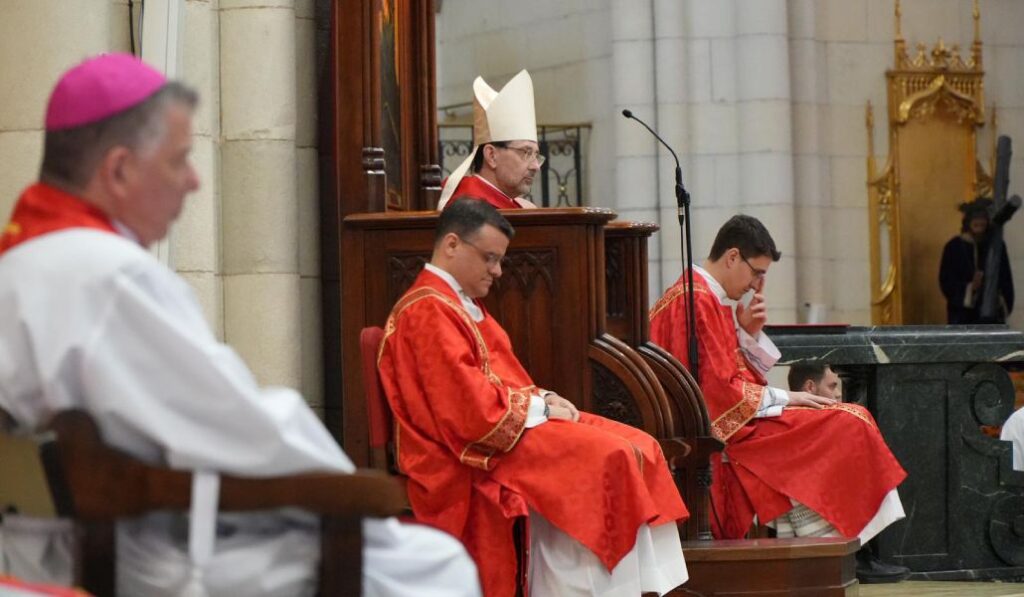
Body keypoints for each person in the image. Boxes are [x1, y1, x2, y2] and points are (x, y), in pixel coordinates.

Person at [0, 53, 480, 597]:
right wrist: (344, 482)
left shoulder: (18, 263)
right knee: (433, 564)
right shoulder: (109, 275)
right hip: (139, 553)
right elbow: (233, 428)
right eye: (179, 160)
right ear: (119, 169)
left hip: (43, 545)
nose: (194, 181)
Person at [377, 198, 690, 597]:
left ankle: (639, 587)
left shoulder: (457, 303)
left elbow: (501, 376)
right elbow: (468, 412)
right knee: (609, 457)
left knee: (640, 444)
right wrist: (540, 407)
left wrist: (542, 398)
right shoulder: (427, 310)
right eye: (490, 258)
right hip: (459, 451)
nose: (498, 271)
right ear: (452, 244)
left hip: (500, 425)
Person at [649, 214, 911, 584]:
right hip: (718, 431)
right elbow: (718, 393)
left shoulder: (710, 298)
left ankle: (849, 543)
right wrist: (789, 397)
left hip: (735, 419)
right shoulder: (695, 301)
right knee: (846, 423)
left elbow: (730, 377)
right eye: (756, 273)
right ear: (732, 257)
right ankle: (845, 545)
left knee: (849, 418)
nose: (757, 286)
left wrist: (748, 335)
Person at [437, 70, 541, 210]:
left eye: (536, 155)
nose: (536, 166)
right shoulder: (469, 207)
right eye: (526, 152)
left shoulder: (514, 206)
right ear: (491, 155)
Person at [939, 198, 1014, 324]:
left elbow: (1006, 280)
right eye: (975, 220)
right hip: (962, 318)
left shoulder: (996, 246)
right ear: (968, 222)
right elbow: (946, 282)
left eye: (982, 220)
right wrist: (970, 288)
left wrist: (997, 298)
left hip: (991, 318)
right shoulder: (954, 247)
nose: (979, 223)